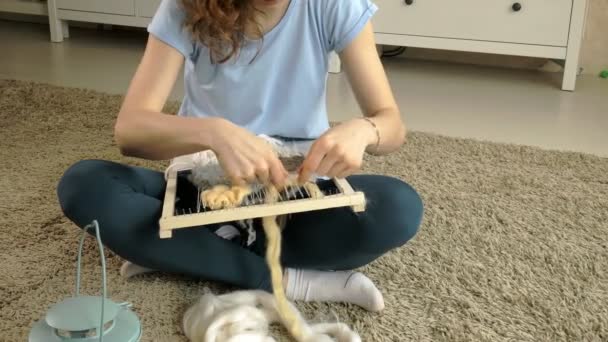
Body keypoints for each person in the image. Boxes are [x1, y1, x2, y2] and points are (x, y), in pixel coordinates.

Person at [57, 0, 424, 312]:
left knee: (399, 206)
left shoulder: (333, 5)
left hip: (296, 198)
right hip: (202, 196)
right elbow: (130, 131)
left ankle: (184, 255)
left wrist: (364, 130)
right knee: (84, 185)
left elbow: (391, 124)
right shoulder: (184, 6)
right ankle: (281, 280)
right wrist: (214, 132)